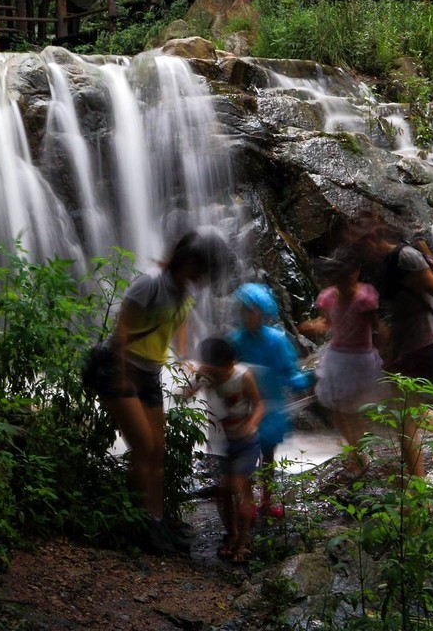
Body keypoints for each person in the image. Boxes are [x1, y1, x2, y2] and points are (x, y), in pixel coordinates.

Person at [87, 231, 220, 554]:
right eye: (201, 270)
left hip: (149, 373)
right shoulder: (149, 284)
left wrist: (185, 360)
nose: (203, 279)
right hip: (116, 369)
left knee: (157, 451)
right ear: (188, 262)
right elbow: (122, 333)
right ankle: (137, 524)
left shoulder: (182, 292)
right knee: (144, 447)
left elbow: (179, 323)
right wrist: (120, 379)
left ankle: (157, 521)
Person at [357, 219, 433, 479]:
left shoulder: (406, 256)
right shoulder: (384, 265)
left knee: (405, 417)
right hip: (410, 345)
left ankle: (416, 486)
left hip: (427, 342)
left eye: (362, 243)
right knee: (407, 407)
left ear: (374, 238)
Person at [226, 283, 311, 518]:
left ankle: (267, 498)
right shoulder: (235, 340)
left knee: (268, 454)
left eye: (250, 311)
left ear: (262, 313)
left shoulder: (276, 340)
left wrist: (304, 384)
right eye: (243, 311)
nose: (246, 316)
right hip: (243, 405)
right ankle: (248, 500)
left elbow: (287, 370)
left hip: (270, 405)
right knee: (245, 454)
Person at [298, 249, 385, 476]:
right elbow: (326, 322)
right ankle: (353, 450)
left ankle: (359, 453)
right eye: (338, 278)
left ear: (356, 273)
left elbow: (377, 327)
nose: (343, 283)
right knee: (338, 409)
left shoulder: (364, 298)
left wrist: (390, 351)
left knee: (353, 410)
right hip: (337, 357)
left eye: (347, 277)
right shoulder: (328, 297)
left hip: (360, 360)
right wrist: (313, 325)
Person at [181, 338, 263, 563]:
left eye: (224, 367)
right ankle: (233, 534)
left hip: (247, 442)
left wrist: (251, 423)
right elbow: (189, 390)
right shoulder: (208, 374)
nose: (218, 372)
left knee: (239, 487)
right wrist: (186, 390)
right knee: (223, 492)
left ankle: (245, 541)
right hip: (227, 445)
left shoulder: (242, 376)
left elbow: (259, 404)